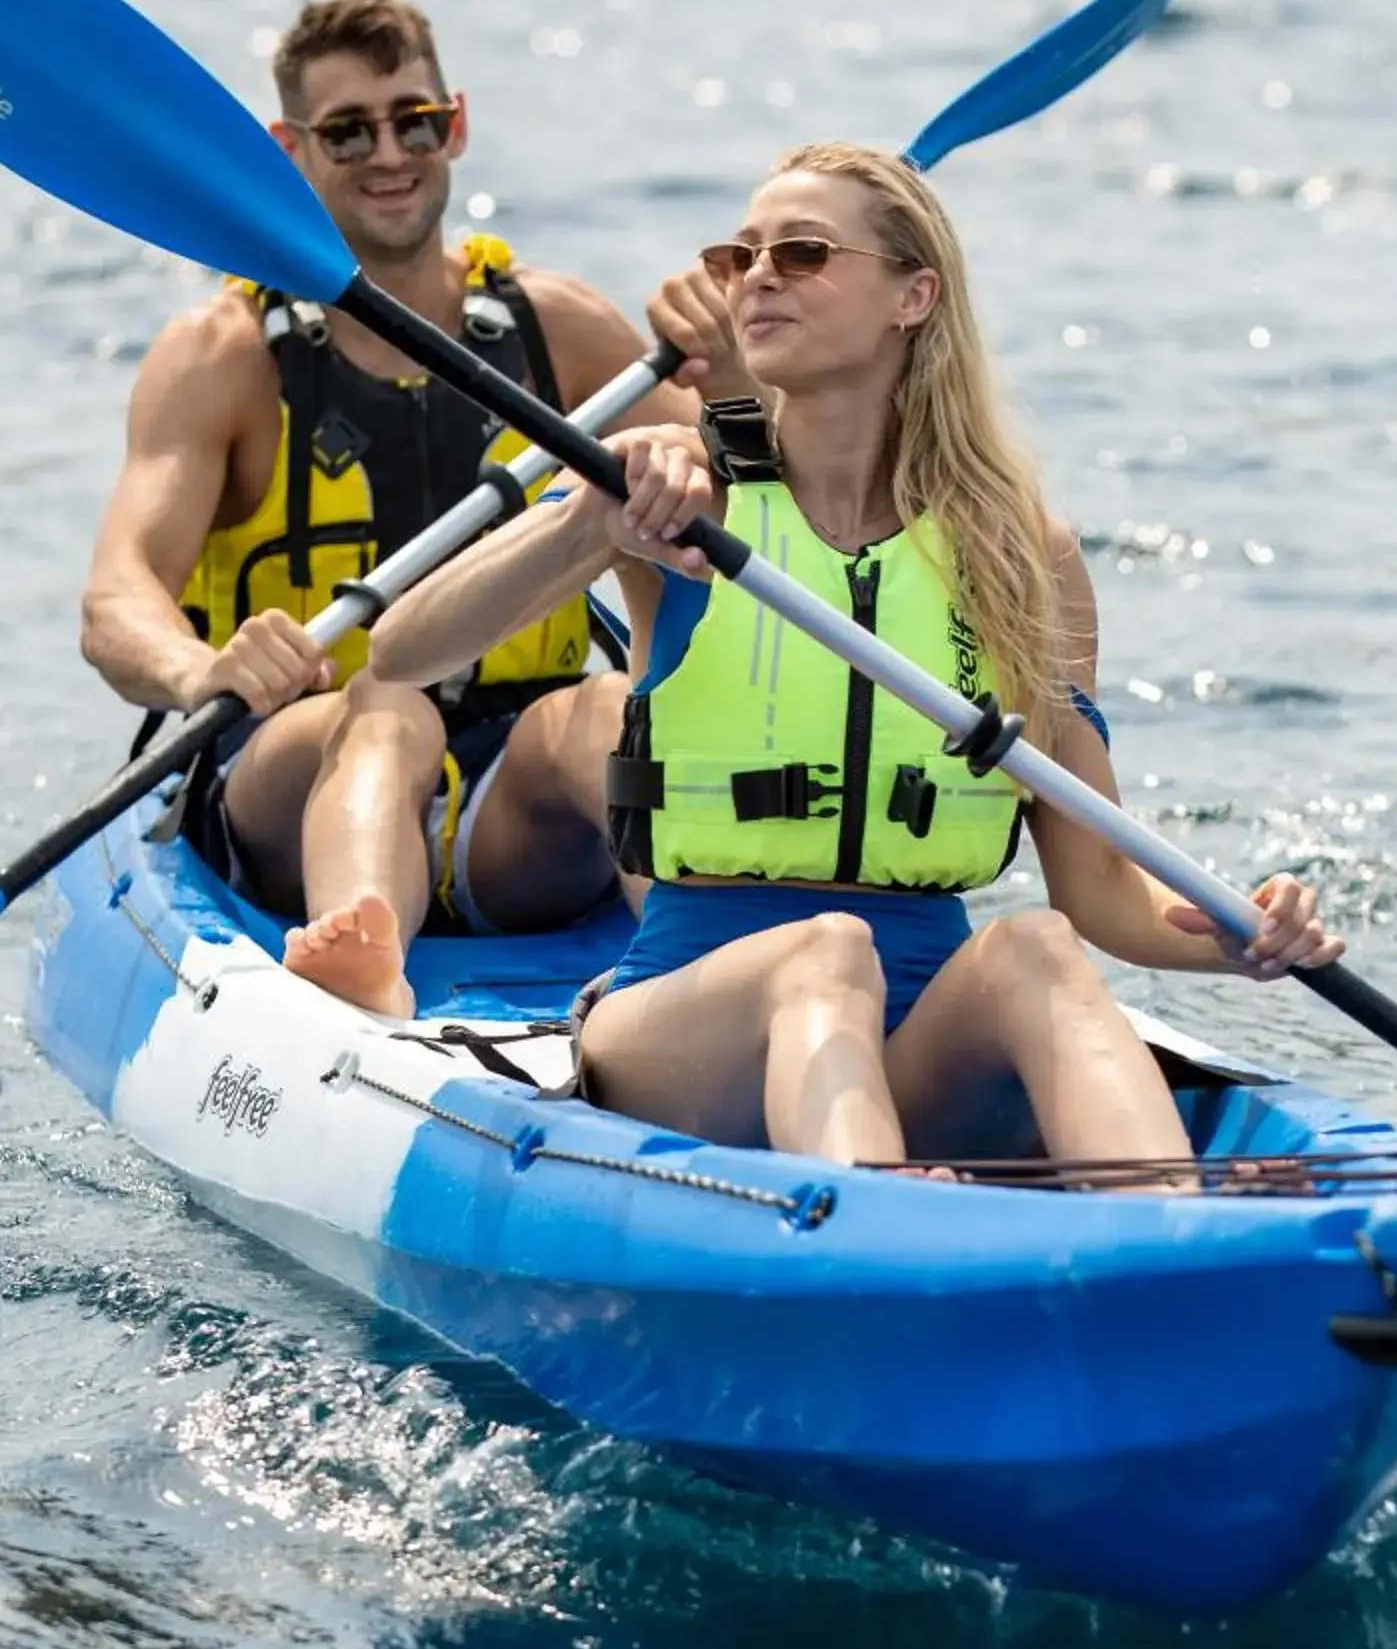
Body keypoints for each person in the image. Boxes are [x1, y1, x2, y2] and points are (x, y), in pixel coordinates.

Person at [367, 141, 1345, 1169]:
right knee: (824, 953)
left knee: (1032, 947)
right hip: (683, 1023)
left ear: (912, 296)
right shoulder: (691, 494)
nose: (757, 278)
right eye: (739, 256)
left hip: (921, 1031)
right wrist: (592, 525)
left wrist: (1235, 938)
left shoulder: (1017, 551)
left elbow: (1098, 887)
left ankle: (1170, 1236)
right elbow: (403, 647)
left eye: (802, 253)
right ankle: (878, 1218)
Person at [79, 0, 689, 1018]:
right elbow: (115, 600)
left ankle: (697, 970)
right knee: (388, 713)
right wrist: (201, 666)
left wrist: (737, 381)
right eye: (348, 131)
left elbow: (755, 499)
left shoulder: (565, 331)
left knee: (602, 715)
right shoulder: (224, 356)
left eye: (415, 120)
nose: (389, 153)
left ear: (456, 125)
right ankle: (358, 970)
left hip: (511, 797)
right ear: (289, 150)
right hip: (291, 763)